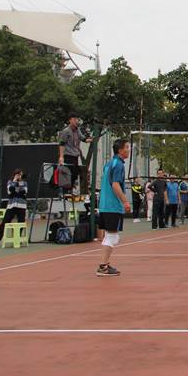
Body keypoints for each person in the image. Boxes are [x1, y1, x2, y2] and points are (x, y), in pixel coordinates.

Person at [96, 138, 131, 277]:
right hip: (112, 206)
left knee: (111, 236)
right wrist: (125, 201)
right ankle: (103, 266)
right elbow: (115, 185)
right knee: (112, 236)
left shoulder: (109, 164)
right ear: (120, 150)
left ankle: (104, 264)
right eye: (127, 147)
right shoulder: (118, 165)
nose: (128, 150)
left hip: (105, 205)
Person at [57, 112, 93, 196]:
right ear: (70, 120)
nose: (76, 121)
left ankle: (70, 189)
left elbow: (83, 138)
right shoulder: (66, 131)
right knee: (68, 173)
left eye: (77, 119)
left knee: (75, 173)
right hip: (68, 155)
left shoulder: (77, 130)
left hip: (75, 155)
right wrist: (61, 157)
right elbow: (61, 144)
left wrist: (91, 140)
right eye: (74, 119)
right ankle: (65, 191)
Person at [0, 169, 28, 246]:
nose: (19, 176)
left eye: (20, 175)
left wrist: (16, 188)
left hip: (21, 206)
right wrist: (14, 181)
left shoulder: (24, 183)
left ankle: (18, 239)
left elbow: (24, 192)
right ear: (15, 175)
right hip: (11, 206)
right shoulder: (10, 182)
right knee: (5, 222)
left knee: (21, 222)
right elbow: (10, 191)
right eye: (18, 174)